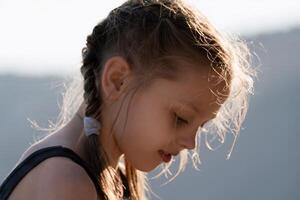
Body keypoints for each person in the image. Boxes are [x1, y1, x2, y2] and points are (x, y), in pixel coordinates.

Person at [0, 0, 256, 199]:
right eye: (181, 118)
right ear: (117, 80)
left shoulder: (115, 177)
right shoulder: (66, 180)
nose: (191, 143)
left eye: (201, 126)